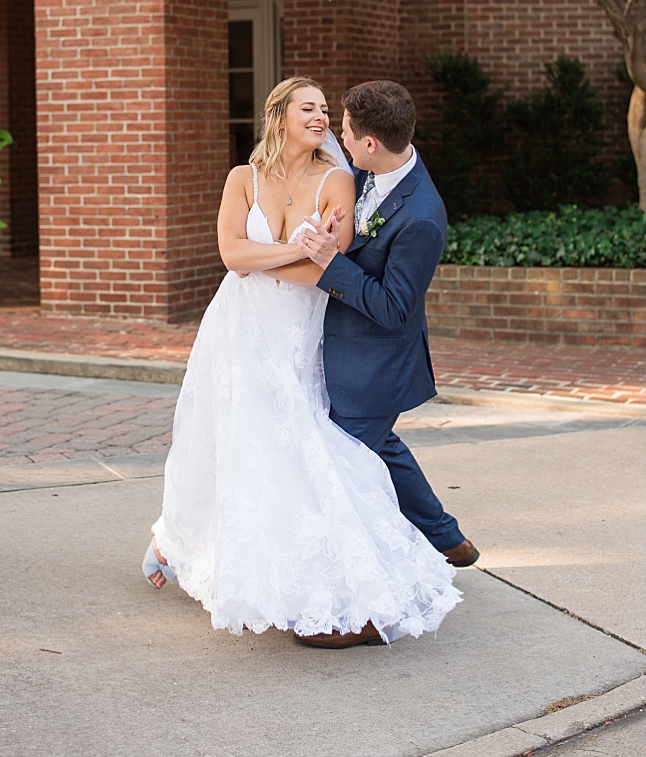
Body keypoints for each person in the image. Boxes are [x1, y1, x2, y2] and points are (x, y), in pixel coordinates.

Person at [141, 76, 461, 647]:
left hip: (302, 330)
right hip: (239, 326)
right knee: (230, 438)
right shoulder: (244, 177)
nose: (323, 120)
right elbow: (230, 254)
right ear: (278, 115)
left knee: (316, 448)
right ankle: (185, 541)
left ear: (364, 143)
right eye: (308, 108)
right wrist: (298, 250)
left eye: (328, 113)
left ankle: (360, 587)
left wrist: (285, 259)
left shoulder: (344, 181)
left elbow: (325, 268)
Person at [292, 81, 480, 632]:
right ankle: (448, 538)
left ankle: (370, 602)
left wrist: (331, 261)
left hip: (374, 366)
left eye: (345, 131)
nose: (337, 137)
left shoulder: (422, 215)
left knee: (342, 470)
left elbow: (397, 308)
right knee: (383, 446)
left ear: (371, 142)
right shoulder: (369, 172)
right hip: (341, 350)